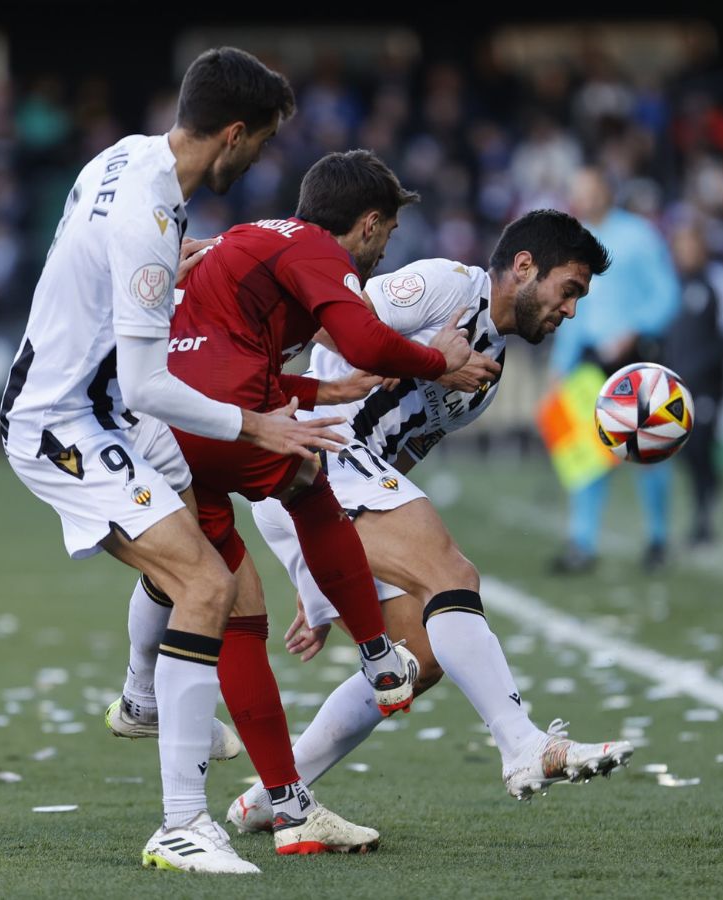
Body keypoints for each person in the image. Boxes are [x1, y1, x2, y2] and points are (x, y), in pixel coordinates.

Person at [0, 47, 353, 875]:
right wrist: (259, 427)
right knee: (205, 582)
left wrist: (164, 272)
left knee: (205, 552)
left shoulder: (123, 156)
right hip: (67, 422)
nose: (261, 157)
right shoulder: (152, 215)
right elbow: (149, 383)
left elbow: (92, 262)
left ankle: (140, 697)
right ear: (232, 134)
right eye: (261, 142)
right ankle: (182, 824)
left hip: (96, 406)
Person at [220, 210, 634, 834]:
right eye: (568, 290)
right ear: (524, 267)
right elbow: (331, 323)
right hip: (311, 446)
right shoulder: (446, 286)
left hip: (340, 479)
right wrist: (426, 359)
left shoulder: (487, 376)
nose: (570, 310)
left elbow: (403, 456)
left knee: (421, 652)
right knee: (450, 571)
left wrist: (326, 572)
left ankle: (277, 795)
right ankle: (522, 745)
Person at [108, 149, 472, 856]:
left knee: (234, 611)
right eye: (387, 235)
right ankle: (380, 658)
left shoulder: (243, 239)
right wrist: (440, 361)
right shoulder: (309, 244)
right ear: (367, 224)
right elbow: (365, 337)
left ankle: (291, 809)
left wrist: (317, 391)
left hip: (166, 427)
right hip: (214, 418)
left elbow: (211, 354)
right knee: (311, 478)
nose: (382, 250)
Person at [548, 168, 680, 573]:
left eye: (589, 191)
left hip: (635, 358)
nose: (583, 199)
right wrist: (560, 365)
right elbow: (570, 308)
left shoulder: (639, 236)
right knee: (584, 453)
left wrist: (635, 328)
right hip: (589, 361)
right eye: (577, 193)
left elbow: (666, 294)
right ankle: (581, 543)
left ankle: (658, 539)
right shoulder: (573, 242)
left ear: (607, 192)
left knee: (649, 448)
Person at [663, 217, 723, 545]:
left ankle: (705, 515)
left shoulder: (720, 279)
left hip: (708, 383)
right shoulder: (671, 282)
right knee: (683, 451)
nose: (686, 252)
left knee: (701, 446)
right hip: (673, 385)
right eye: (680, 246)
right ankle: (702, 509)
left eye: (691, 244)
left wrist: (702, 366)